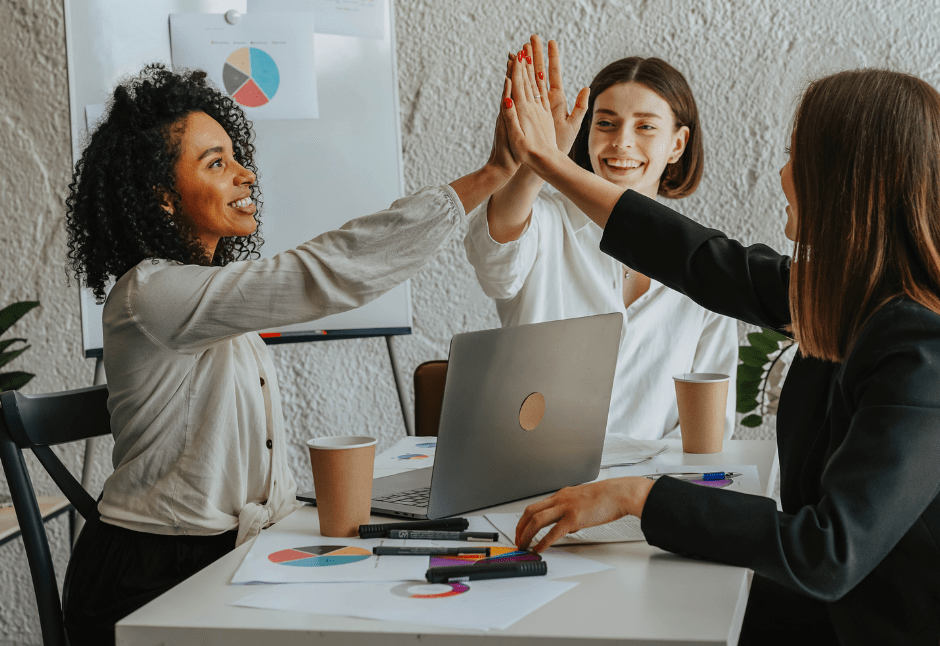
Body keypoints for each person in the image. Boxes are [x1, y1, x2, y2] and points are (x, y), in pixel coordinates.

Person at [61, 64, 520, 645]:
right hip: (151, 578)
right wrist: (493, 175)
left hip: (223, 558)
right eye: (216, 164)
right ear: (161, 198)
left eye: (235, 156)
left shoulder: (206, 297)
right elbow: (320, 275)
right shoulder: (152, 294)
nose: (245, 174)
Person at [503, 53, 940, 644]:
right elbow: (699, 259)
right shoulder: (844, 296)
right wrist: (550, 166)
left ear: (847, 183)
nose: (783, 174)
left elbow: (826, 552)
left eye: (798, 157)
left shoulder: (921, 346)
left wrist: (641, 496)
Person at [464, 37, 738, 439]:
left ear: (677, 144)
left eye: (645, 126)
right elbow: (494, 257)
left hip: (646, 491)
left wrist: (645, 495)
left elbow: (709, 427)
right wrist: (540, 157)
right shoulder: (544, 222)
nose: (621, 141)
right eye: (605, 123)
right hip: (535, 484)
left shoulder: (705, 261)